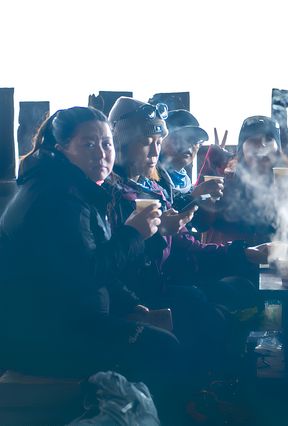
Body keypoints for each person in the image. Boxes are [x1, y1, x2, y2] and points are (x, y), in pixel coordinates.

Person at [0, 107, 190, 417]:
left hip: (67, 321)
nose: (102, 153)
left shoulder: (74, 189)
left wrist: (130, 305)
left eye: (106, 143)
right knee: (162, 350)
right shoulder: (56, 197)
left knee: (172, 326)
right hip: (44, 336)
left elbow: (94, 265)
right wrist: (134, 234)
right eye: (88, 144)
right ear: (61, 149)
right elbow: (86, 273)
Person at [106, 97, 268, 378]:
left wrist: (243, 253)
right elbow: (118, 264)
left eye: (159, 140)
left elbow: (184, 245)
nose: (155, 150)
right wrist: (160, 234)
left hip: (165, 280)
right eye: (147, 141)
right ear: (121, 141)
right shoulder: (111, 193)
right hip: (134, 295)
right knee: (201, 310)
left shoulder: (158, 183)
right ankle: (202, 396)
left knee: (240, 290)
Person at [204, 115, 288, 245]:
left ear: (278, 147)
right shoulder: (226, 178)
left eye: (268, 138)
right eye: (253, 139)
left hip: (273, 257)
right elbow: (202, 223)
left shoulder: (283, 178)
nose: (261, 145)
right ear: (241, 147)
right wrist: (210, 167)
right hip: (231, 258)